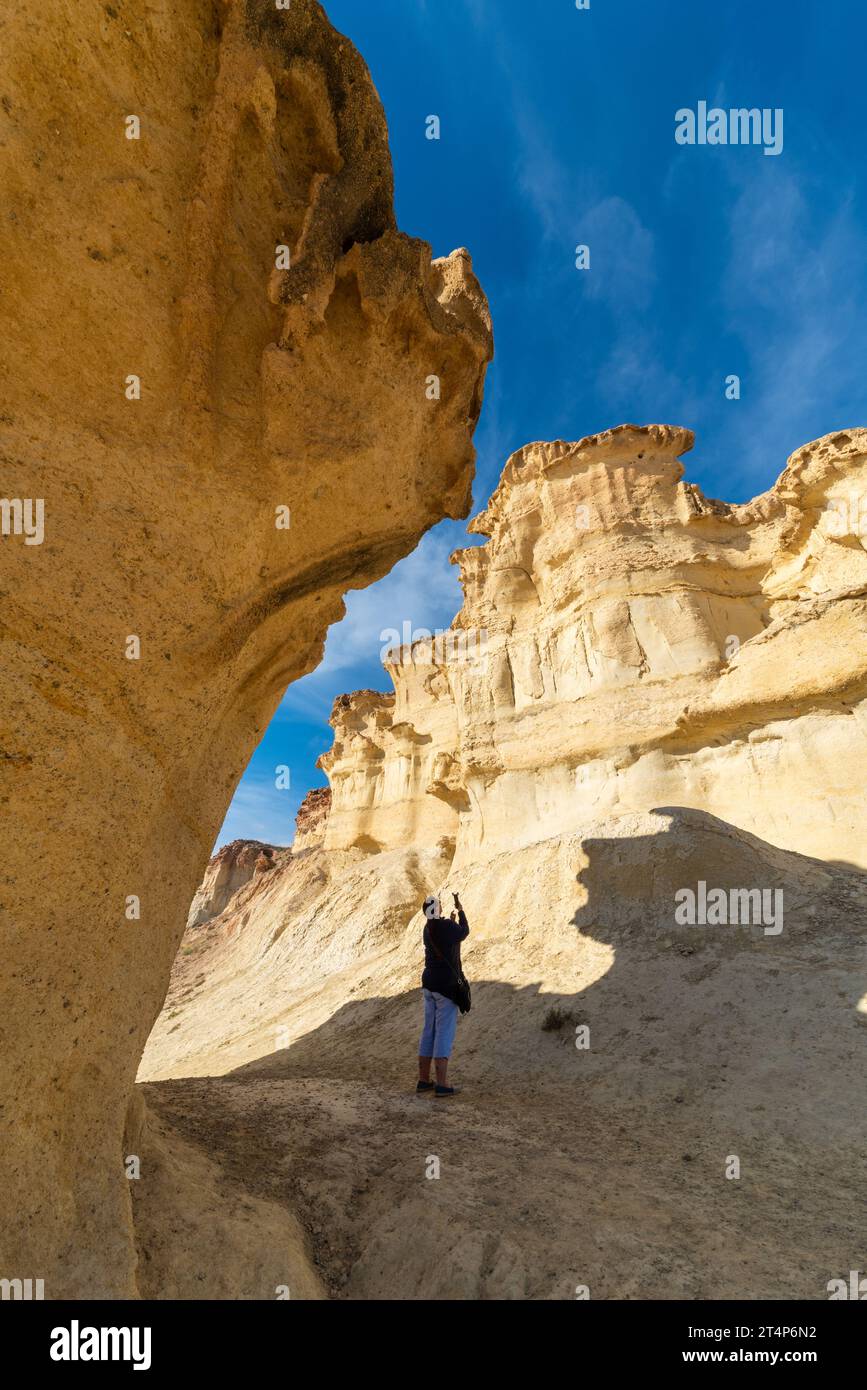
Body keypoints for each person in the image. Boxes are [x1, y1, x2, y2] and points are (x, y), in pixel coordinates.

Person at [417, 891, 469, 1098]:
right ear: (436, 909)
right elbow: (464, 932)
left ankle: (423, 1080)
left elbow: (448, 937)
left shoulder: (427, 929)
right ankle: (442, 1083)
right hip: (445, 987)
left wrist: (451, 920)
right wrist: (461, 910)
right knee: (444, 1033)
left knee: (428, 1031)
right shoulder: (445, 927)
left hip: (428, 983)